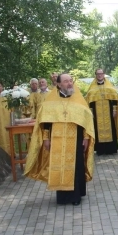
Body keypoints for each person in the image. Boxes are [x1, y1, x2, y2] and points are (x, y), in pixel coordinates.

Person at [25, 73, 95, 205]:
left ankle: (76, 197)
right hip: (57, 139)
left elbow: (86, 120)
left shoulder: (79, 99)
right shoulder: (51, 101)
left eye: (70, 81)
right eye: (66, 81)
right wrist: (46, 138)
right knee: (60, 166)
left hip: (76, 138)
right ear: (58, 84)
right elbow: (46, 122)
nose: (69, 83)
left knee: (76, 167)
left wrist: (86, 137)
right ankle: (63, 197)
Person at [85, 68, 118, 155]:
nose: (99, 75)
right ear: (96, 75)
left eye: (101, 73)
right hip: (96, 112)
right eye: (98, 74)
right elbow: (90, 101)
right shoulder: (92, 88)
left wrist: (114, 110)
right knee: (97, 129)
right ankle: (100, 150)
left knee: (110, 127)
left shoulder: (109, 87)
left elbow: (114, 99)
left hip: (109, 112)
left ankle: (111, 149)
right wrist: (91, 112)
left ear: (103, 74)